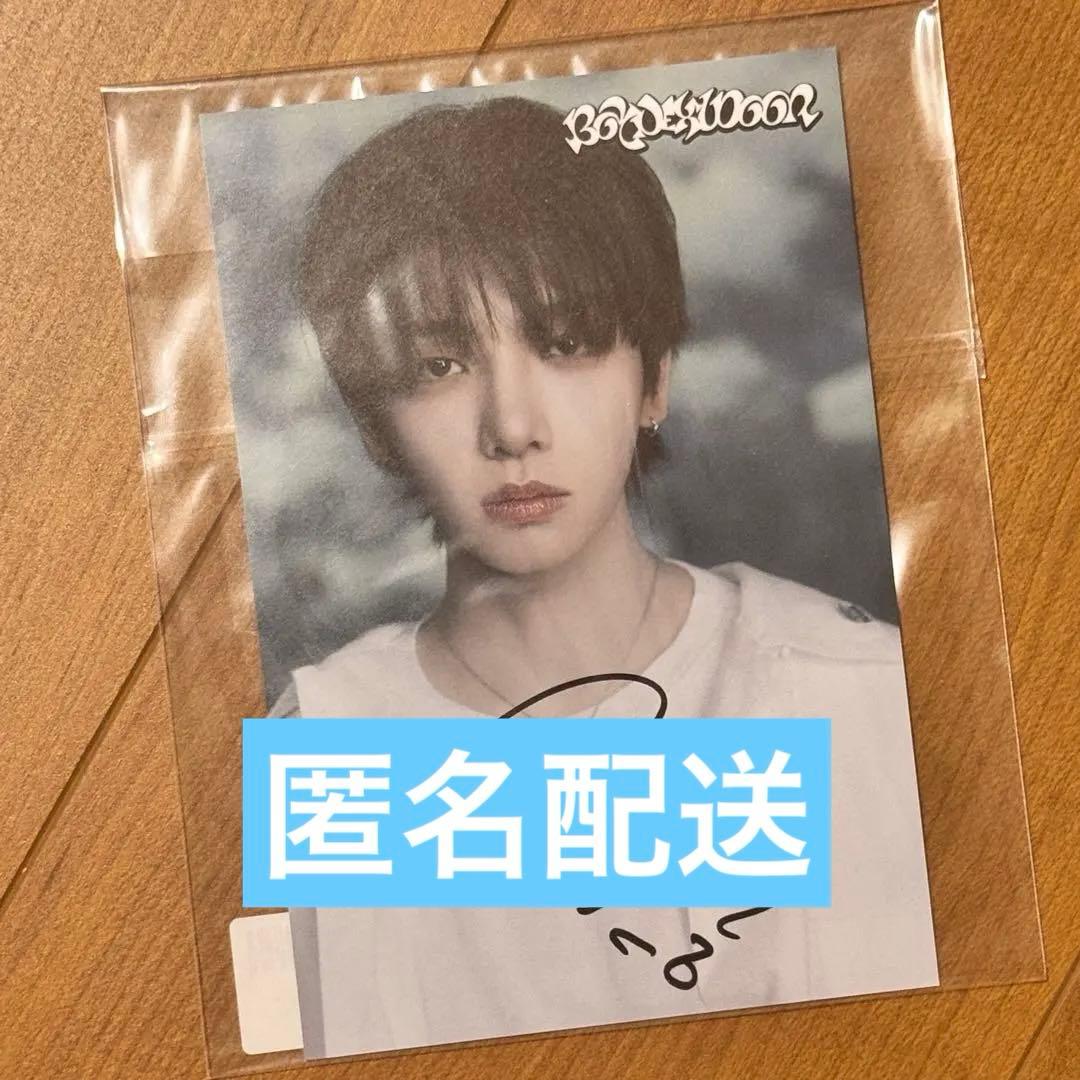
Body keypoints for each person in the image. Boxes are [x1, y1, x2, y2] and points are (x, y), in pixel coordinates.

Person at [269, 95, 937, 1058]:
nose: (513, 427)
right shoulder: (328, 746)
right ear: (376, 422)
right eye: (440, 363)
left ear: (654, 377)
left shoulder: (853, 690)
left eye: (566, 344)